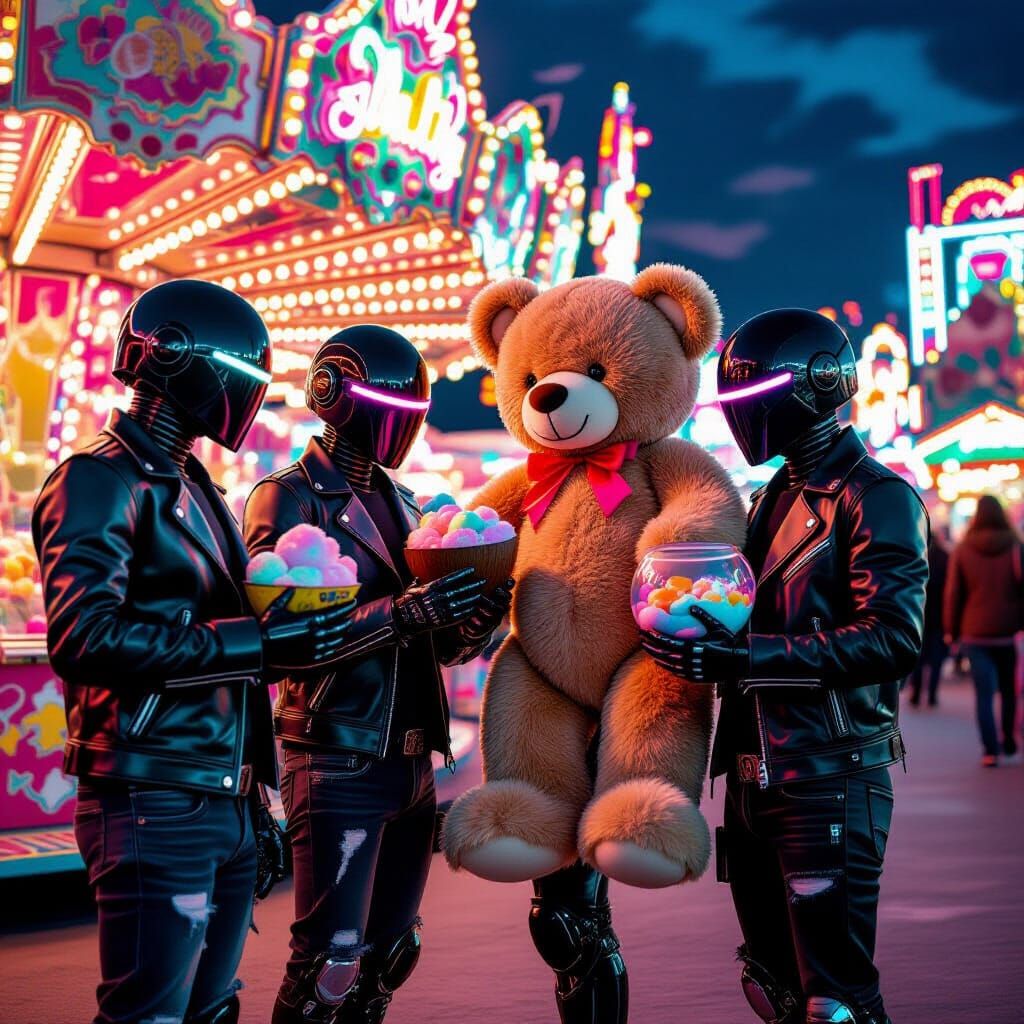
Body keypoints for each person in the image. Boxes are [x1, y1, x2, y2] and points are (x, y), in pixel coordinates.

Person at [32, 280, 356, 1024]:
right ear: (180, 359)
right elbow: (84, 637)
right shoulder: (97, 479)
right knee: (151, 1013)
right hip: (153, 795)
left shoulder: (196, 485)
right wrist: (258, 639)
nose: (250, 393)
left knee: (212, 1009)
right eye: (245, 376)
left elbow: (229, 646)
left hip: (219, 794)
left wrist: (255, 798)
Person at [642, 309, 928, 1024]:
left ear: (808, 388)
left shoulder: (875, 496)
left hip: (828, 773)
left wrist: (744, 655)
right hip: (755, 776)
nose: (740, 413)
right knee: (773, 984)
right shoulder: (770, 495)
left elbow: (893, 637)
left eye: (749, 396)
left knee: (834, 1000)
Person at [245, 325, 511, 1024]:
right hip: (336, 756)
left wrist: (479, 614)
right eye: (391, 407)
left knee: (389, 952)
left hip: (411, 759)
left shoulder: (412, 504)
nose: (404, 426)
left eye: (412, 412)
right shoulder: (287, 498)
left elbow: (443, 650)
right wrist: (406, 614)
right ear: (335, 395)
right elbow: (278, 643)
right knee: (328, 961)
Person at [944, 494, 1023, 767]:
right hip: (1007, 630)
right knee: (1009, 691)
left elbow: (954, 593)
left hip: (974, 631)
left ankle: (990, 750)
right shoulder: (1015, 546)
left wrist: (951, 632)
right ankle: (1009, 739)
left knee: (984, 694)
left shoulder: (964, 548)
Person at [907, 529, 949, 706]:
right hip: (939, 614)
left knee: (919, 656)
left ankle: (916, 693)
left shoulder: (913, 555)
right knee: (937, 656)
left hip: (918, 613)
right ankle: (932, 694)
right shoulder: (945, 557)